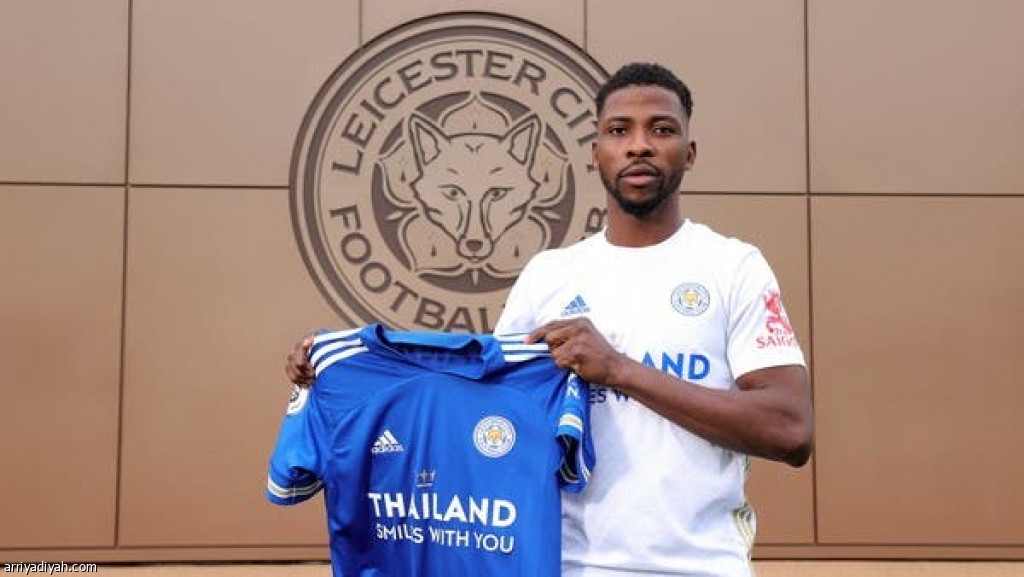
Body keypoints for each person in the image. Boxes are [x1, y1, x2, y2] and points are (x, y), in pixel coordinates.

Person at [285, 62, 813, 577]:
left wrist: (619, 370)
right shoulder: (550, 275)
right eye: (619, 130)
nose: (639, 145)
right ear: (596, 153)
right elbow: (481, 409)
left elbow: (790, 430)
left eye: (661, 129)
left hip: (700, 565)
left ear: (689, 152)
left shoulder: (732, 267)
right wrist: (341, 366)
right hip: (566, 564)